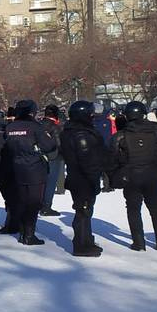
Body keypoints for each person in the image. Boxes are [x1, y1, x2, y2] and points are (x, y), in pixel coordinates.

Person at [109, 101, 157, 251]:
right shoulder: (156, 131)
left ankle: (139, 242)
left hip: (131, 175)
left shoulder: (121, 135)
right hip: (151, 174)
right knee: (156, 208)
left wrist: (117, 173)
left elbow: (112, 157)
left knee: (133, 208)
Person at [0, 99, 57, 246]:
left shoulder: (10, 127)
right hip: (34, 168)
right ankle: (28, 234)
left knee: (22, 200)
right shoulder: (35, 127)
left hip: (16, 167)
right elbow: (49, 146)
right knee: (33, 202)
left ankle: (22, 230)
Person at [58, 100, 107, 257]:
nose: (93, 116)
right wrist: (94, 179)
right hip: (83, 178)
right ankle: (81, 244)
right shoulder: (81, 135)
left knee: (85, 210)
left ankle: (86, 239)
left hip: (77, 176)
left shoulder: (70, 132)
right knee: (83, 211)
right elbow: (87, 161)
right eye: (90, 114)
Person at [39, 104, 65, 216]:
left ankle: (39, 204)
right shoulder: (55, 127)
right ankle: (46, 206)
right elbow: (59, 143)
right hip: (54, 157)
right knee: (51, 183)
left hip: (40, 156)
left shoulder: (39, 125)